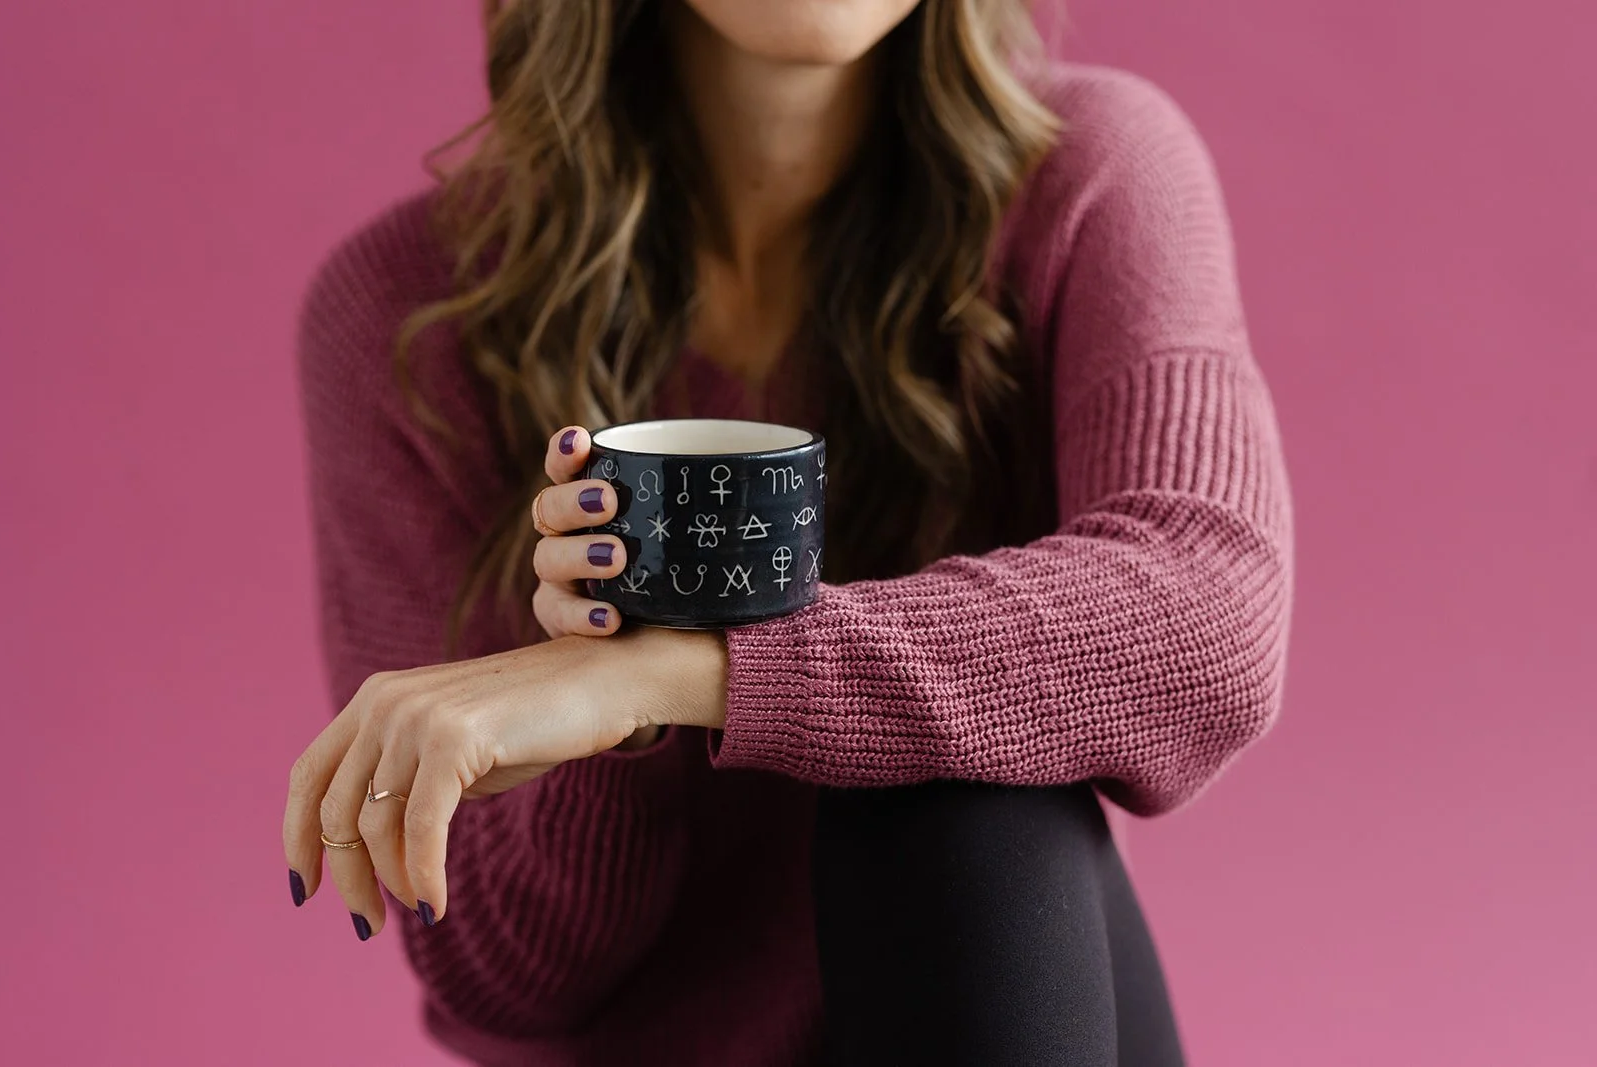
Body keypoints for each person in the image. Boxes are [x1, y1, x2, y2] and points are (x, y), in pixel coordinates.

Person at [280, 0, 1294, 1064]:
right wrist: (604, 734)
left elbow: (1210, 615)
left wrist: (674, 675)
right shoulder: (404, 318)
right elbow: (503, 973)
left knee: (960, 804)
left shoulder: (1092, 174)